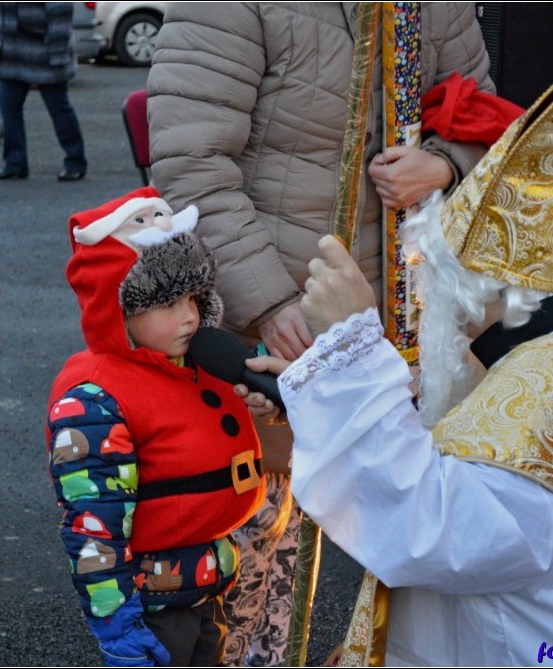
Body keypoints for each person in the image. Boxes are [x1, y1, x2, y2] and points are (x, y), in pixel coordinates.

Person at [242, 22, 553, 666]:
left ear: (480, 289)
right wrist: (318, 390)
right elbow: (447, 441)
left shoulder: (551, 402)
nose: (423, 300)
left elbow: (419, 529)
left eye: (429, 276)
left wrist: (350, 349)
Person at [146, 5, 494, 665]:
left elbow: (484, 116)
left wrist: (444, 163)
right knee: (253, 569)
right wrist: (272, 301)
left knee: (410, 555)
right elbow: (191, 161)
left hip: (405, 328)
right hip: (271, 327)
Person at [46, 187, 266, 666]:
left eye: (194, 297)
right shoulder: (94, 400)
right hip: (149, 613)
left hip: (202, 592)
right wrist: (117, 625)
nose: (189, 315)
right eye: (167, 304)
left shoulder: (192, 363)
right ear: (116, 307)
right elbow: (94, 528)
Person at [0, 2, 87, 181]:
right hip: (13, 53)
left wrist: (58, 56)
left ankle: (75, 162)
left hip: (47, 51)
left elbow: (61, 11)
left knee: (59, 109)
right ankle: (14, 163)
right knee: (8, 106)